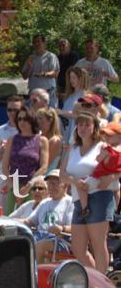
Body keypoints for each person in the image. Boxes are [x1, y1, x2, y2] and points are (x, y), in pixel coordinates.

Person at [60, 112, 119, 273]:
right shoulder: (73, 149)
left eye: (87, 125)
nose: (83, 128)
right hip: (78, 199)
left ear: (94, 128)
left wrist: (113, 176)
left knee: (98, 243)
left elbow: (118, 164)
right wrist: (74, 181)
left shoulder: (102, 146)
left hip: (99, 196)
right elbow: (62, 174)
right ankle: (94, 280)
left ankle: (102, 287)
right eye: (80, 124)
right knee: (78, 248)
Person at [0, 108, 49, 214]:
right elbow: (4, 166)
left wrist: (29, 185)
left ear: (32, 120)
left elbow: (44, 167)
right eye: (19, 119)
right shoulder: (12, 139)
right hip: (13, 186)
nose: (22, 122)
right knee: (9, 219)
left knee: (29, 219)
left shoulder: (42, 140)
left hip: (33, 188)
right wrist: (14, 188)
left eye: (25, 119)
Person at [19, 170, 74, 263]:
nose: (51, 187)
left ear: (65, 185)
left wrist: (61, 228)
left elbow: (74, 227)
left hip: (59, 240)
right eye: (49, 184)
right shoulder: (45, 202)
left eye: (54, 184)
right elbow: (29, 221)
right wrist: (8, 221)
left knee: (39, 245)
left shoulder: (70, 202)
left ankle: (36, 276)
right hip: (39, 236)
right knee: (19, 242)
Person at [77, 122, 121, 219]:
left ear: (119, 137)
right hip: (115, 182)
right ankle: (118, 209)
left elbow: (98, 159)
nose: (106, 137)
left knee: (80, 185)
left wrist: (100, 154)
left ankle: (84, 208)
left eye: (110, 135)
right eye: (105, 134)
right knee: (118, 189)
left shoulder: (108, 150)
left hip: (99, 179)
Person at [21, 34, 60, 109]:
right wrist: (29, 66)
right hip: (34, 95)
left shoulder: (51, 56)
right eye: (34, 42)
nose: (36, 44)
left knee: (50, 116)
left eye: (38, 42)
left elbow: (55, 73)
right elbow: (24, 76)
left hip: (49, 93)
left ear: (44, 43)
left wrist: (44, 74)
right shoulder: (31, 57)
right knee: (34, 118)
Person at [58, 66, 89, 141]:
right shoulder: (70, 94)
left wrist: (60, 112)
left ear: (81, 78)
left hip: (74, 130)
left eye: (74, 77)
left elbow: (78, 114)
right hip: (65, 128)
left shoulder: (84, 95)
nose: (71, 80)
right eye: (70, 77)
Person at [36, 107, 63, 172]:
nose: (37, 121)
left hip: (46, 177)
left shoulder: (55, 140)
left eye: (40, 119)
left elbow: (45, 165)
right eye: (36, 118)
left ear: (50, 121)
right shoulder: (38, 137)